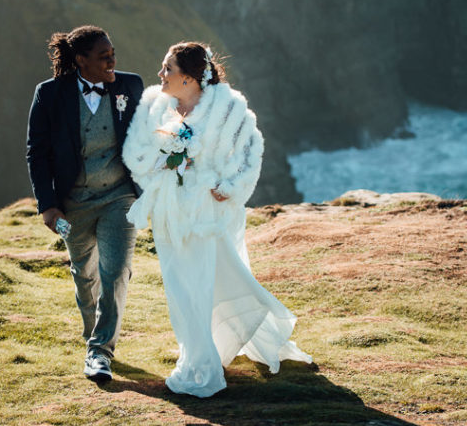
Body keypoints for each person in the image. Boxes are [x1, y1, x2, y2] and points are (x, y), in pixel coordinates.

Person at [121, 41, 311, 397]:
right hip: (169, 211)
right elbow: (135, 152)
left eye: (168, 69)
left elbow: (250, 154)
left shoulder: (229, 110)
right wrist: (164, 167)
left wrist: (229, 187)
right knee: (179, 285)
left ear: (191, 79)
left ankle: (202, 360)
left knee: (206, 281)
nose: (160, 75)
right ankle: (196, 347)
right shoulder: (152, 106)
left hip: (208, 212)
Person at [26, 25, 145, 383]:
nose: (112, 60)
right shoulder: (49, 94)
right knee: (84, 273)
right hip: (71, 204)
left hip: (120, 196)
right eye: (103, 55)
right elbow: (37, 153)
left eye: (113, 53)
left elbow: (149, 132)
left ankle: (100, 351)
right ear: (81, 60)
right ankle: (93, 331)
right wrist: (47, 205)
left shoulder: (130, 85)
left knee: (116, 270)